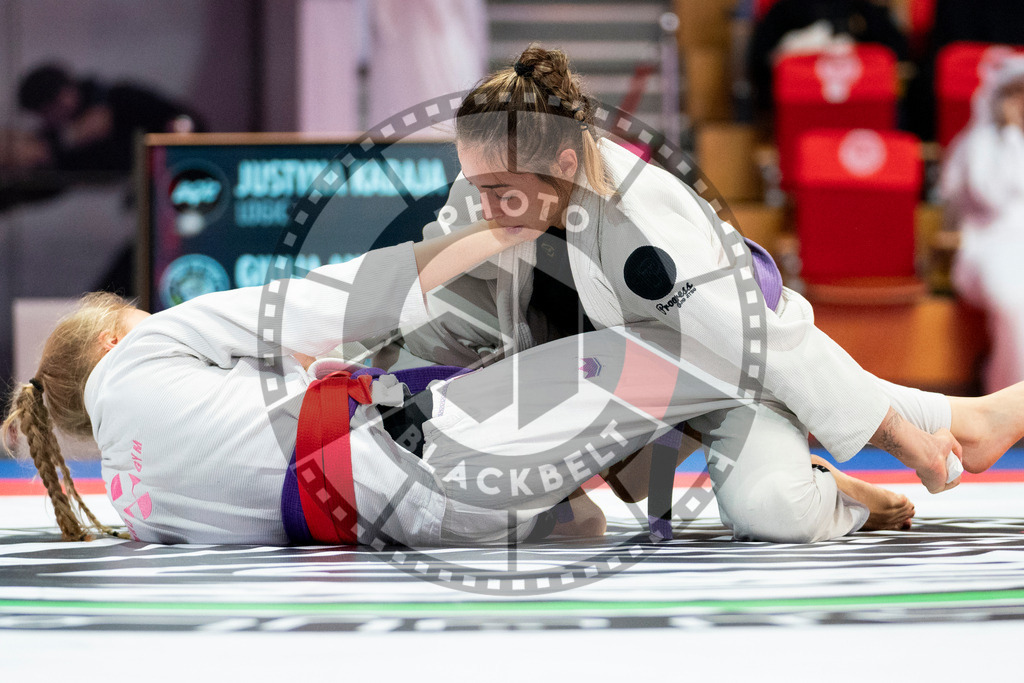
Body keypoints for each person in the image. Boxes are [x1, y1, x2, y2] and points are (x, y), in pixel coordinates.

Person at [390, 45, 1024, 544]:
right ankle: (969, 420)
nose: (483, 204)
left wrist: (903, 441)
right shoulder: (487, 186)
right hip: (626, 379)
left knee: (776, 511)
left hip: (726, 358)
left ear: (563, 166)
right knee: (449, 319)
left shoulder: (641, 227)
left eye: (500, 189)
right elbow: (423, 302)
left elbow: (762, 345)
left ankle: (862, 483)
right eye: (474, 183)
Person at [940, 57, 1024, 394]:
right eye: (1014, 94)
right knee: (1014, 301)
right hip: (987, 247)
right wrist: (1011, 136)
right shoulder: (978, 143)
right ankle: (1007, 399)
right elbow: (988, 193)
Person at [17, 63, 204, 173]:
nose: (47, 120)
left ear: (63, 99)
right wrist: (71, 137)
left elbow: (187, 121)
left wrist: (176, 132)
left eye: (47, 112)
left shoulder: (120, 98)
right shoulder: (62, 135)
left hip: (187, 169)